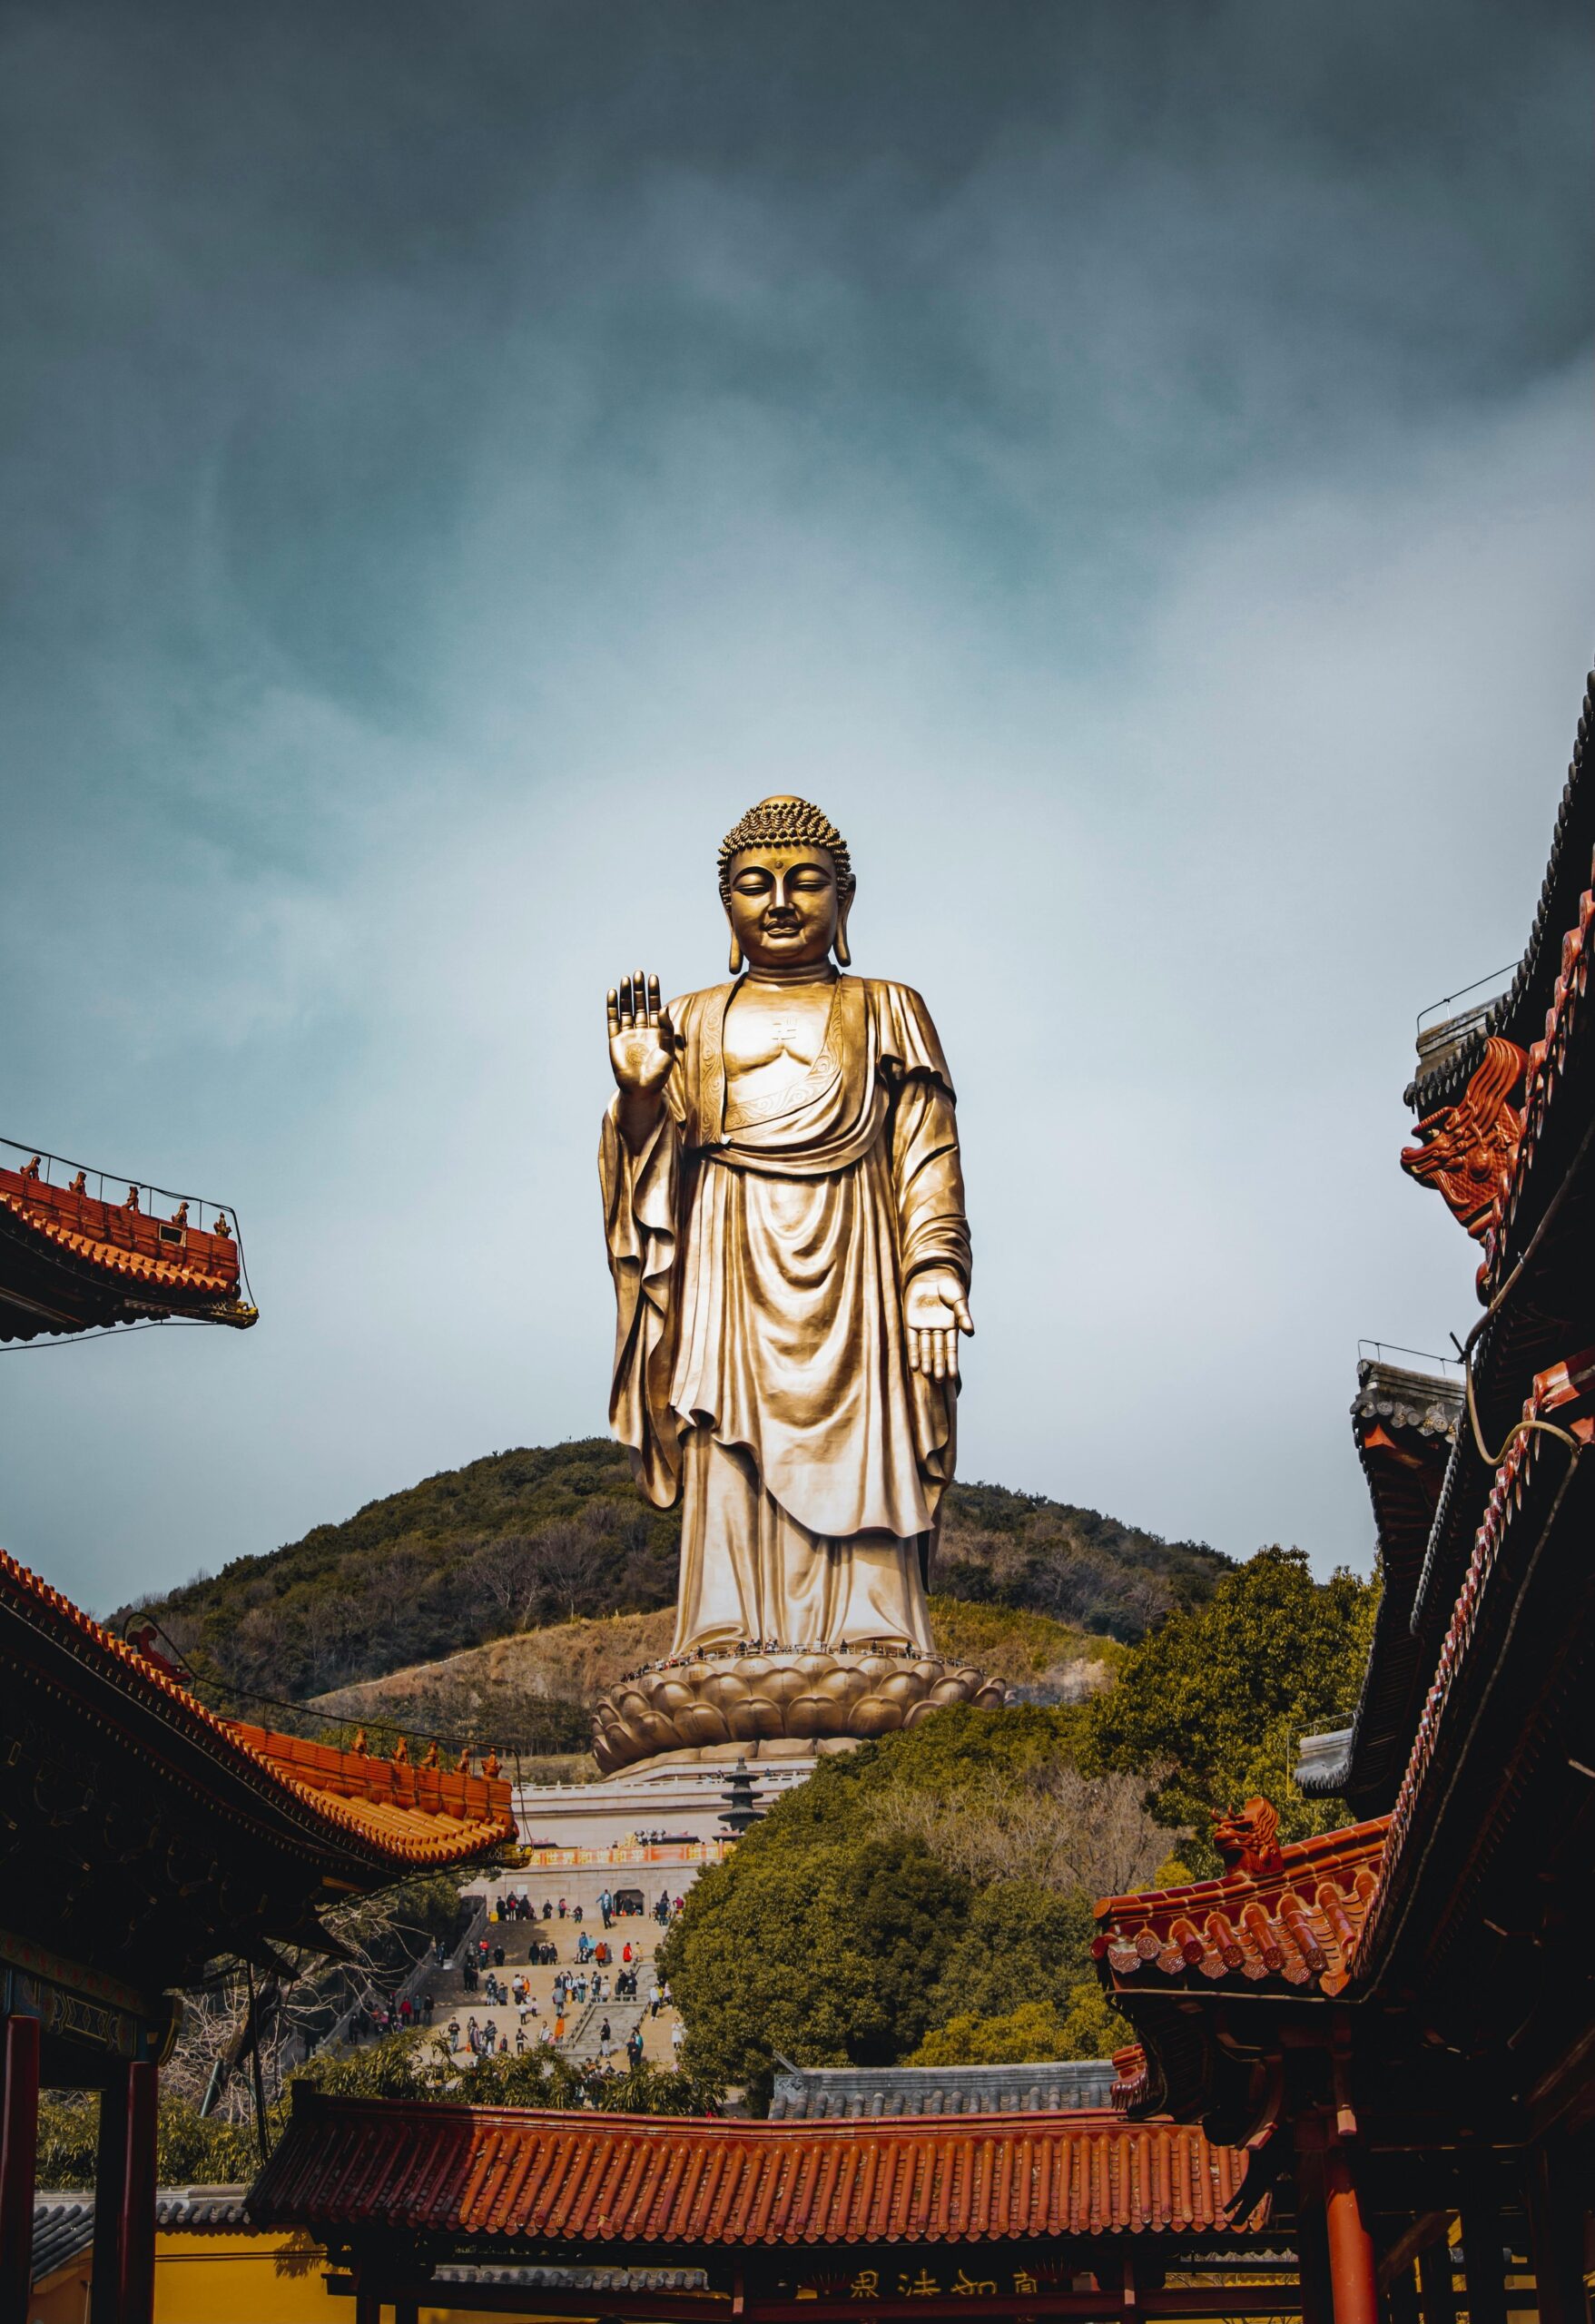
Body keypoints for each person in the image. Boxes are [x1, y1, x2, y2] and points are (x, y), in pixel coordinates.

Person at [599, 798, 971, 1661]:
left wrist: (932, 1270)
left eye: (804, 882)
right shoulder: (689, 1019)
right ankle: (722, 1627)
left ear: (845, 898)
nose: (778, 903)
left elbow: (926, 1149)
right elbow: (647, 1173)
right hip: (726, 1247)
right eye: (752, 886)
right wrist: (639, 1094)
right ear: (725, 904)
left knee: (869, 1429)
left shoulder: (888, 1006)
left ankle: (875, 1628)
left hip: (856, 1248)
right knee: (722, 1432)